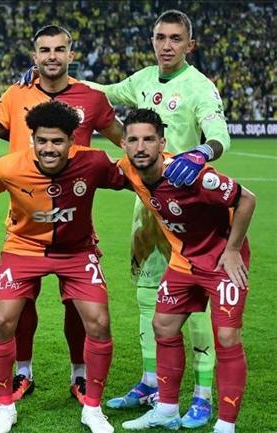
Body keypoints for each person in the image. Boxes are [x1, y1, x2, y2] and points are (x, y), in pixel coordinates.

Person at [0, 24, 123, 404]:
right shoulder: (17, 94)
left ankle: (79, 373)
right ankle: (23, 371)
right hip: (25, 215)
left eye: (59, 49)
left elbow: (124, 140)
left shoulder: (92, 98)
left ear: (71, 54)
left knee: (79, 306)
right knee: (20, 304)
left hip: (73, 218)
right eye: (44, 50)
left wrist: (164, 153)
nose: (52, 56)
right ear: (34, 56)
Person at [86, 10, 231, 426]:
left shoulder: (199, 86)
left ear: (189, 45)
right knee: (147, 293)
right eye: (160, 38)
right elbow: (102, 91)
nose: (166, 45)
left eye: (175, 38)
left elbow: (219, 133)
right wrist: (52, 79)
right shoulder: (143, 80)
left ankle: (202, 395)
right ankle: (152, 381)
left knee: (195, 302)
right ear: (152, 41)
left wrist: (202, 152)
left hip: (190, 211)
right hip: (148, 208)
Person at [0, 101, 127, 433]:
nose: (49, 148)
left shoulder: (94, 162)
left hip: (77, 251)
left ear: (72, 140)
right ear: (32, 139)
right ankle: (5, 406)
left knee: (99, 322)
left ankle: (93, 408)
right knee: (2, 321)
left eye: (57, 141)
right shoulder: (10, 166)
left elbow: (134, 176)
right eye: (42, 140)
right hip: (22, 248)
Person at [117, 109, 254, 433]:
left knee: (227, 337)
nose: (140, 147)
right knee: (163, 326)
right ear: (123, 144)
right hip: (183, 261)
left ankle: (225, 424)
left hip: (222, 261)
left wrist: (233, 250)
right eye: (133, 140)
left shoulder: (192, 175)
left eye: (148, 139)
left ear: (162, 143)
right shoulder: (128, 169)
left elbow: (247, 200)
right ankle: (166, 410)